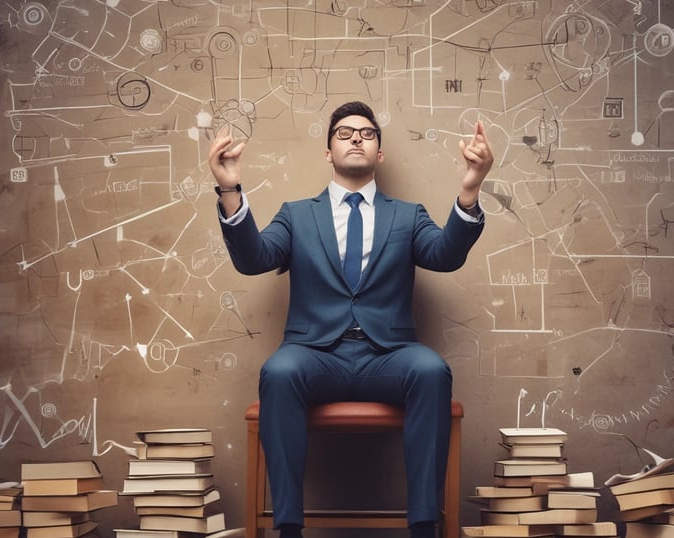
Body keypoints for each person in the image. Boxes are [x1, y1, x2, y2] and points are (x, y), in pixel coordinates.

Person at [209, 101, 493, 538]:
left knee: (432, 370)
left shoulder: (408, 215)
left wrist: (470, 191)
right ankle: (288, 528)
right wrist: (231, 190)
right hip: (315, 355)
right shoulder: (296, 214)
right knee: (278, 372)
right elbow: (253, 260)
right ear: (328, 153)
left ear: (379, 153)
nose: (356, 137)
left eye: (366, 133)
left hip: (389, 356)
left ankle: (422, 526)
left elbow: (446, 256)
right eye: (343, 133)